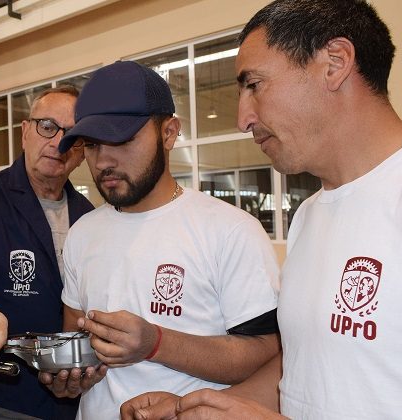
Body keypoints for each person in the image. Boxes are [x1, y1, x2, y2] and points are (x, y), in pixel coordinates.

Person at [121, 1, 402, 419]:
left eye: (254, 84)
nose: (243, 117)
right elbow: (303, 364)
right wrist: (197, 407)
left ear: (335, 63)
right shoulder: (310, 215)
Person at [40, 60, 281, 420]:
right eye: (91, 144)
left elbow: (266, 352)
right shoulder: (82, 233)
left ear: (168, 133)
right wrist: (70, 377)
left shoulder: (229, 230)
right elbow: (75, 341)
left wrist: (156, 343)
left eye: (121, 140)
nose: (104, 160)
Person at [0, 85, 94, 419]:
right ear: (25, 131)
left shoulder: (90, 217)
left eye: (72, 135)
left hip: (69, 400)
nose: (58, 143)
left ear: (84, 151)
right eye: (47, 126)